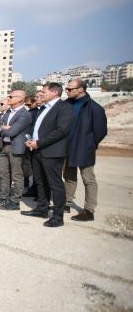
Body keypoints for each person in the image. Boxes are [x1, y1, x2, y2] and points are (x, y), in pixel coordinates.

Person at [21, 83, 74, 227]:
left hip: (52, 152)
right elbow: (39, 129)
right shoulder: (44, 108)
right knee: (40, 181)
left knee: (55, 184)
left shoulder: (64, 108)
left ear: (55, 92)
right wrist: (32, 141)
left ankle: (57, 217)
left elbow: (61, 131)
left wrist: (39, 143)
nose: (41, 94)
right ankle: (42, 209)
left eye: (44, 92)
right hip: (38, 150)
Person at [64, 79, 107, 222]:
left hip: (84, 148)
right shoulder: (66, 105)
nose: (67, 91)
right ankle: (66, 203)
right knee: (69, 176)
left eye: (70, 89)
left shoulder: (94, 108)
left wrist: (89, 144)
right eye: (66, 89)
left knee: (88, 178)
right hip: (67, 147)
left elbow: (101, 131)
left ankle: (89, 210)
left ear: (81, 89)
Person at [0, 90, 32, 211]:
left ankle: (15, 201)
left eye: (11, 96)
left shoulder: (25, 114)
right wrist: (3, 127)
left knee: (16, 175)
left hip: (16, 147)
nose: (8, 98)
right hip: (4, 145)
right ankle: (3, 196)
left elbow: (12, 132)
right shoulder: (8, 112)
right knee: (2, 172)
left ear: (20, 99)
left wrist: (2, 128)